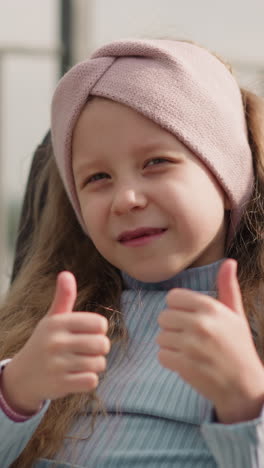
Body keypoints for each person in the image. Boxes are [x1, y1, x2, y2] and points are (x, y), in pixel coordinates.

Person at [0, 38, 264, 468]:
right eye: (97, 177)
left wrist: (246, 403)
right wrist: (17, 392)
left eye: (156, 162)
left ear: (226, 173)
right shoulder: (52, 325)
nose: (126, 198)